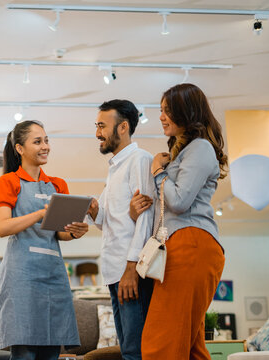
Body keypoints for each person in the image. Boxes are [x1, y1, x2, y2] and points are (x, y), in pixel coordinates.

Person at [130, 83, 227, 360]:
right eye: (160, 110)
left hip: (191, 244)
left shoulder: (200, 148)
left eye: (167, 111)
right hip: (186, 246)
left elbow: (180, 201)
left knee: (160, 343)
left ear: (187, 112)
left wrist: (159, 171)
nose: (161, 116)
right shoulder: (187, 151)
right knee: (191, 346)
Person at [0, 120, 88, 360]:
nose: (45, 146)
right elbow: (3, 227)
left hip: (53, 274)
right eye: (37, 141)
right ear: (19, 148)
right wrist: (39, 213)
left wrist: (75, 231)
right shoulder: (8, 182)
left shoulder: (58, 185)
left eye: (46, 140)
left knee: (51, 350)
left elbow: (59, 233)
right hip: (22, 275)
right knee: (24, 351)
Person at [86, 99, 155, 360]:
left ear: (123, 127)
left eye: (102, 126)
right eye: (97, 126)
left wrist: (131, 270)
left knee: (136, 353)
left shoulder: (140, 160)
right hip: (115, 274)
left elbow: (145, 219)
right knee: (128, 351)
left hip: (131, 273)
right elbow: (106, 221)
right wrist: (94, 210)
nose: (97, 133)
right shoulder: (115, 167)